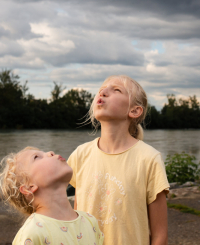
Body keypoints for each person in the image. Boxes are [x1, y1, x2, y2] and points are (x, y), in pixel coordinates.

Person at [67, 75, 170, 245]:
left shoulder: (149, 159)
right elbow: (78, 218)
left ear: (135, 111)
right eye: (101, 90)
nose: (103, 92)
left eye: (116, 90)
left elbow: (160, 236)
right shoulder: (80, 154)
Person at [0, 147, 104, 245]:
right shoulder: (33, 233)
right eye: (37, 157)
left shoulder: (90, 221)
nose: (50, 152)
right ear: (29, 188)